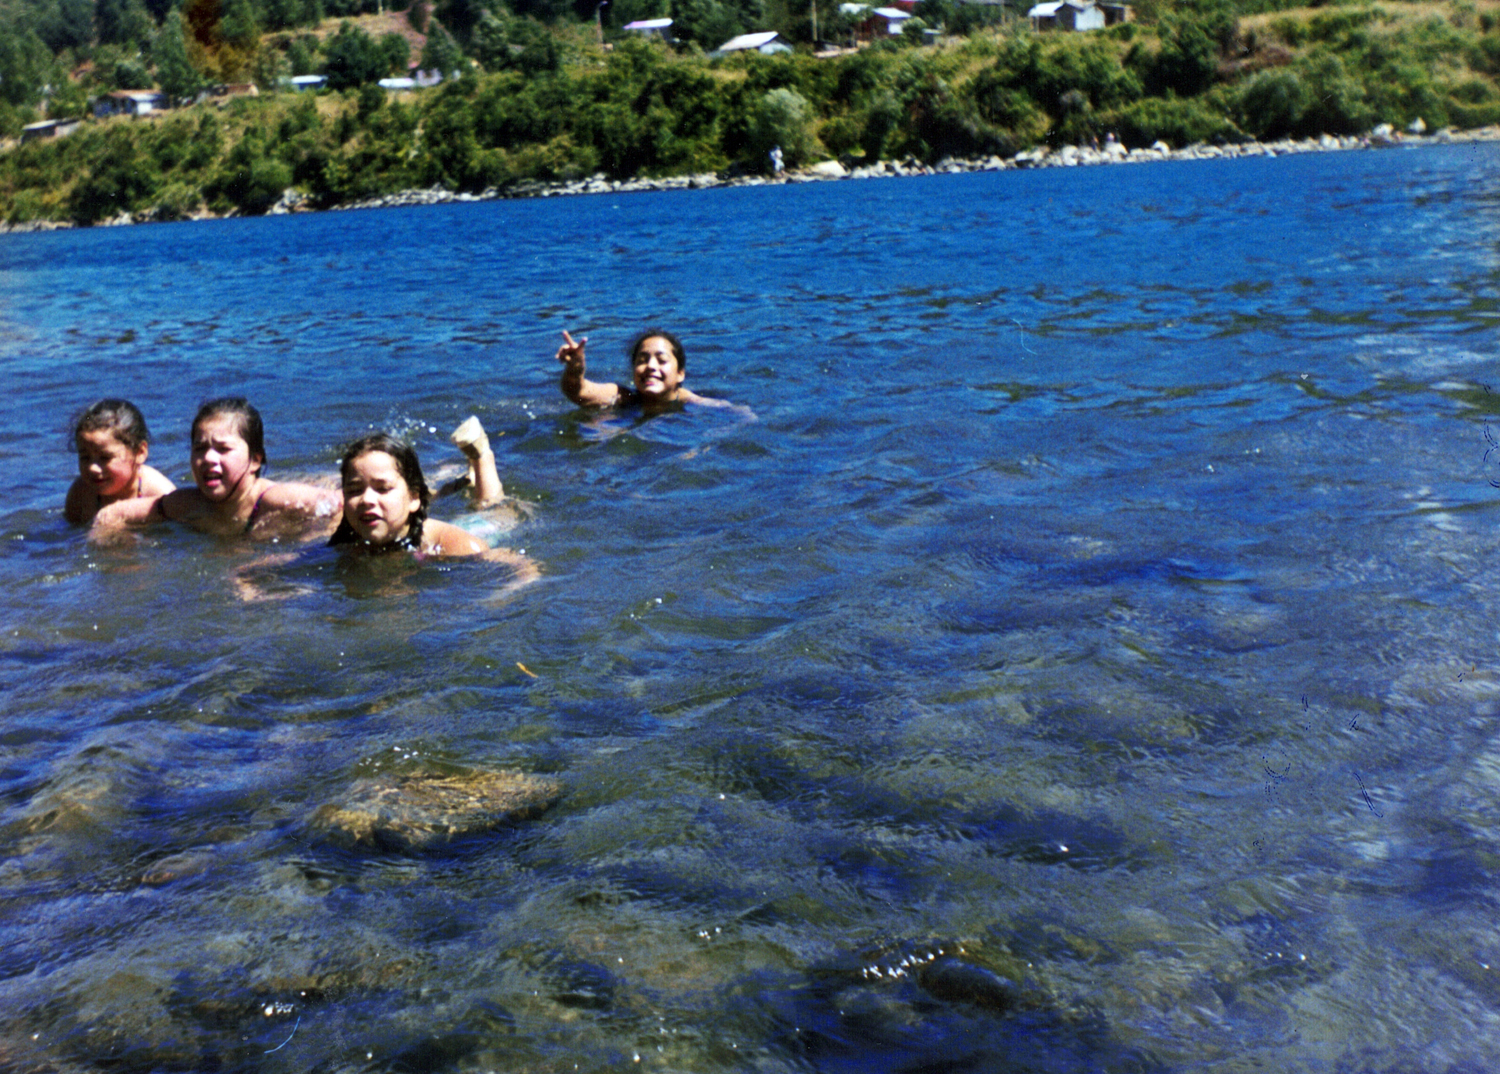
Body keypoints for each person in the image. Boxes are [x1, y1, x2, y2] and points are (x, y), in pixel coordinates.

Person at [92, 397, 339, 541]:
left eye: (223, 449)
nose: (208, 458)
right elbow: (114, 513)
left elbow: (338, 506)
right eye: (199, 448)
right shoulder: (188, 503)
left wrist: (297, 554)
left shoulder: (276, 501)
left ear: (254, 460)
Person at [330, 431, 537, 579]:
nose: (366, 499)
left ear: (413, 498)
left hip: (483, 527)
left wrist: (499, 603)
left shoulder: (456, 546)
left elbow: (526, 568)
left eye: (382, 488)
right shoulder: (346, 541)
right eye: (354, 490)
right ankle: (456, 484)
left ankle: (481, 456)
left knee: (490, 506)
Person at [555, 328, 746, 413]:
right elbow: (578, 392)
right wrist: (575, 368)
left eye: (661, 360)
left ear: (681, 374)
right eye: (642, 360)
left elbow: (741, 414)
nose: (651, 366)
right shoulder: (623, 397)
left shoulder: (693, 402)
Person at [64, 399, 176, 526]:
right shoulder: (81, 493)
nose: (92, 468)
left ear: (140, 453)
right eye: (85, 457)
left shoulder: (160, 493)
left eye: (105, 457)